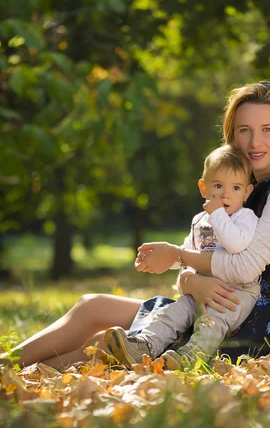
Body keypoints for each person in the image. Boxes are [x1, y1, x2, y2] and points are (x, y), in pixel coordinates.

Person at [11, 80, 270, 370]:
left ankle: (9, 375)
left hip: (268, 322)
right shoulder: (240, 186)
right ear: (231, 136)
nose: (254, 142)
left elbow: (246, 266)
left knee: (106, 345)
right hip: (222, 302)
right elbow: (203, 257)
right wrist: (193, 282)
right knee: (91, 306)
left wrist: (179, 258)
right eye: (243, 130)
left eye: (266, 129)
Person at [103, 144, 260, 370]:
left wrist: (216, 214)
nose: (226, 194)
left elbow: (236, 244)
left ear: (247, 192)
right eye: (218, 185)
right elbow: (187, 254)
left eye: (236, 188)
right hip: (201, 288)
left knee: (212, 319)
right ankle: (144, 346)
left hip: (236, 293)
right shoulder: (200, 221)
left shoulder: (246, 217)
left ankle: (190, 357)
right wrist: (161, 259)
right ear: (203, 188)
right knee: (173, 312)